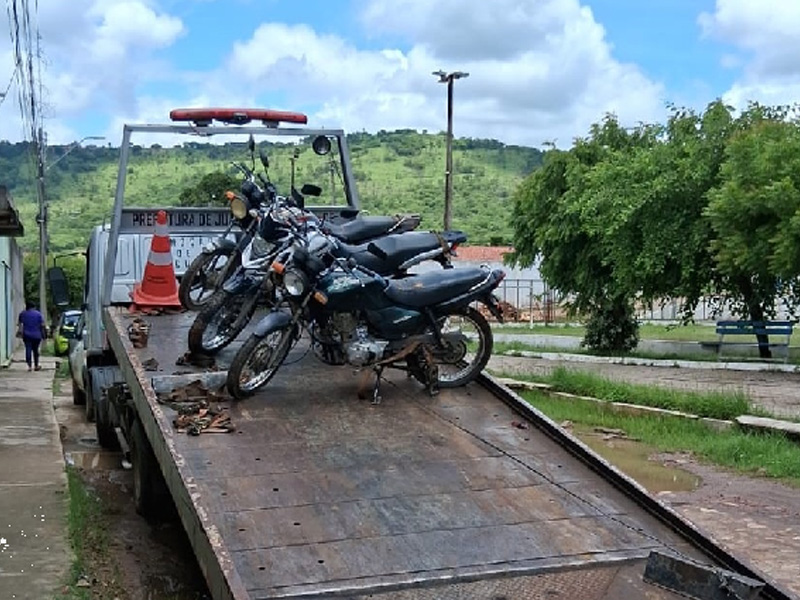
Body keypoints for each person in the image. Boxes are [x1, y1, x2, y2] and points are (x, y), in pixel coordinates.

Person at [17, 301, 47, 372]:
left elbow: (19, 324)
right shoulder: (38, 314)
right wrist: (44, 335)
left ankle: (29, 366)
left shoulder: (22, 314)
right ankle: (36, 365)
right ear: (34, 307)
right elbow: (42, 325)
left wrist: (20, 332)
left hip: (26, 335)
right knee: (36, 350)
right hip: (37, 335)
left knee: (28, 349)